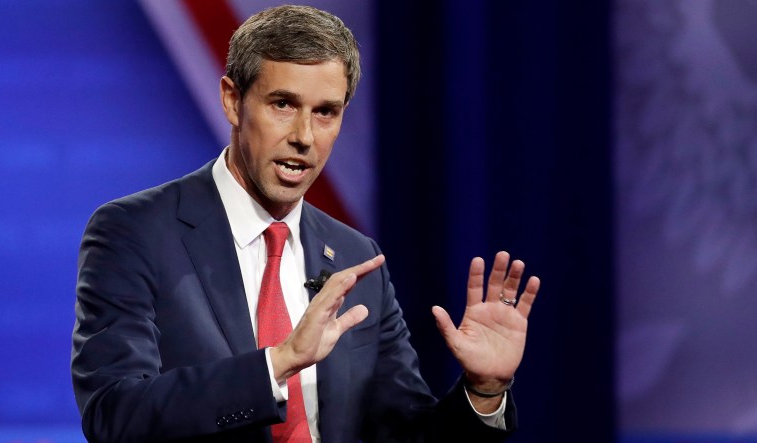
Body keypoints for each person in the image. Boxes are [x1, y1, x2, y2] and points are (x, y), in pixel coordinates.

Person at [71, 5, 540, 443]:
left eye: (325, 112)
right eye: (283, 104)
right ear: (233, 101)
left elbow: (406, 432)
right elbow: (115, 413)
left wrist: (484, 390)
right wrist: (278, 363)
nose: (304, 137)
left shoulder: (355, 256)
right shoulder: (135, 232)